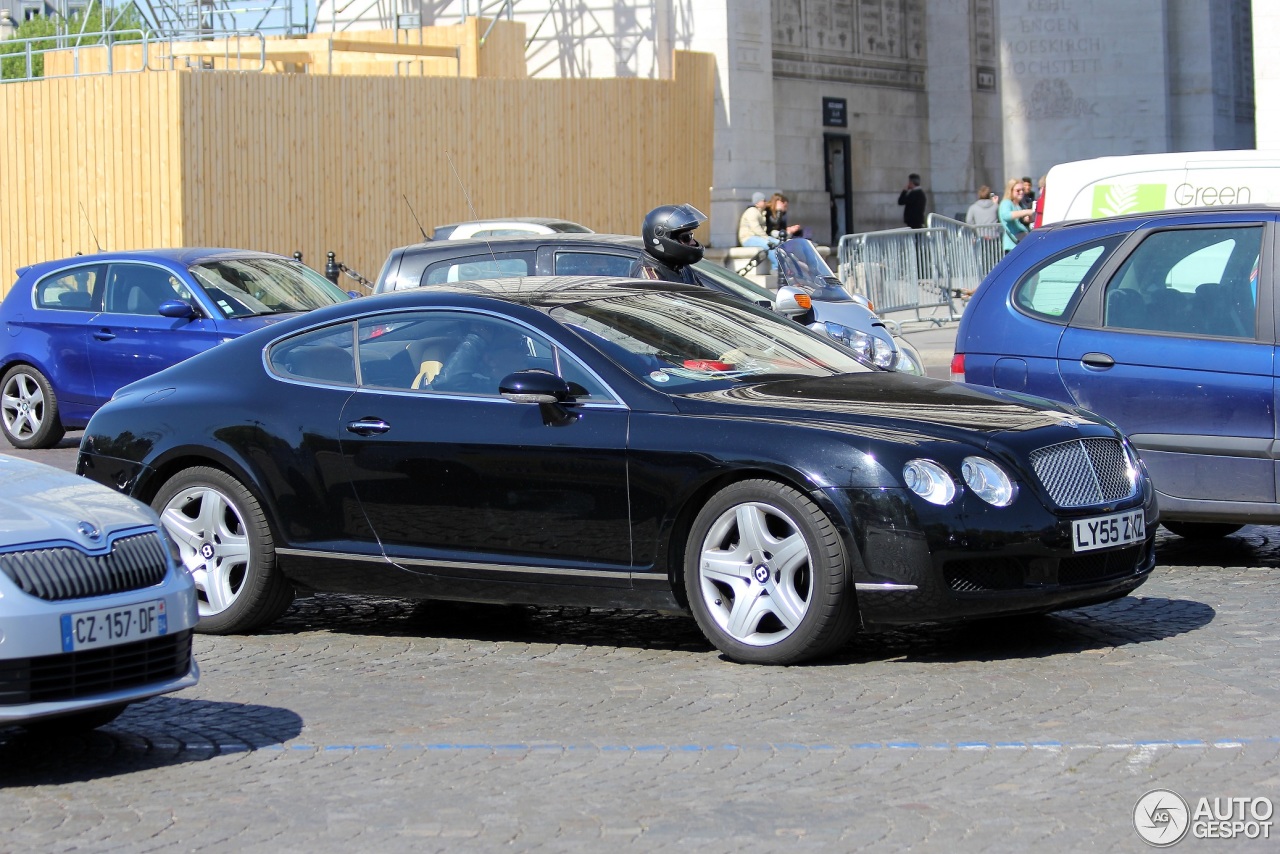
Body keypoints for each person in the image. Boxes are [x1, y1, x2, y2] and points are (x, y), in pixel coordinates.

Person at [637, 203, 707, 284]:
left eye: (691, 236)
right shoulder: (650, 278)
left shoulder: (681, 268)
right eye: (686, 237)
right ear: (660, 236)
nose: (693, 242)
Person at [999, 177, 1035, 253]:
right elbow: (1006, 216)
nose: (1021, 192)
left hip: (1022, 243)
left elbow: (1025, 220)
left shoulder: (1020, 205)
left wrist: (1028, 218)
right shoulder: (1006, 203)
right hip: (1012, 246)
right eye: (1018, 190)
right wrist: (1026, 212)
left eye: (1022, 190)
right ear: (1010, 191)